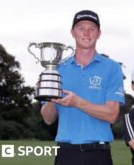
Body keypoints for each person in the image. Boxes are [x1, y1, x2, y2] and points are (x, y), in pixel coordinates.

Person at [40, 10, 125, 165]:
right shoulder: (57, 69)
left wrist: (78, 102)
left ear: (99, 33)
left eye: (91, 28)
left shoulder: (112, 68)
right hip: (65, 153)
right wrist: (52, 97)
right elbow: (48, 119)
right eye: (80, 28)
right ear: (72, 32)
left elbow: (112, 114)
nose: (86, 33)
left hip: (99, 154)